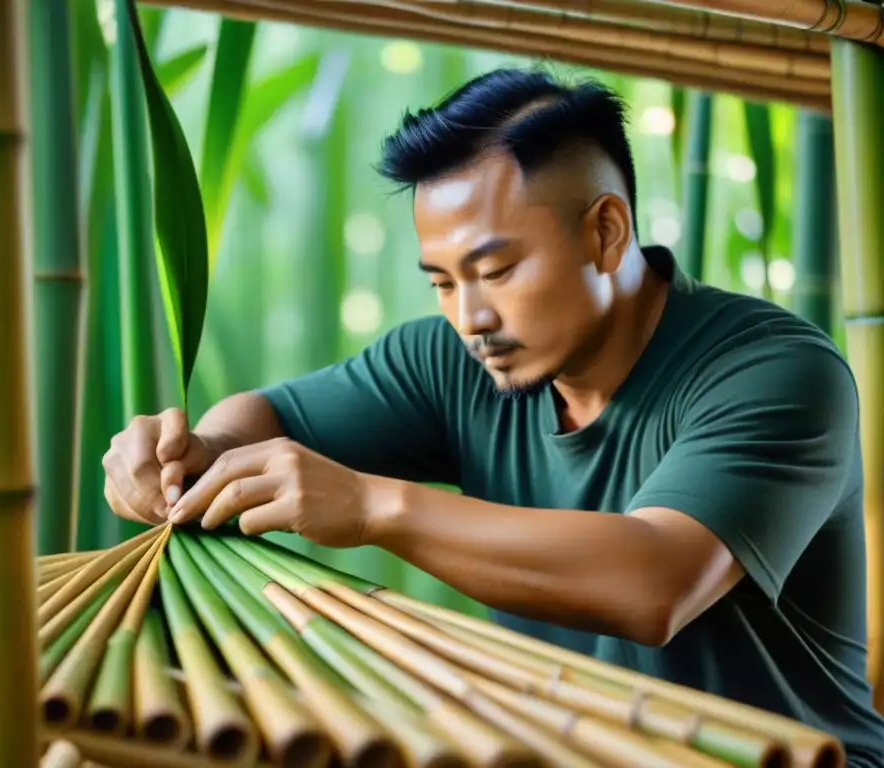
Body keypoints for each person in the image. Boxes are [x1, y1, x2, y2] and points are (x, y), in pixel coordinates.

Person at [102, 68, 884, 764]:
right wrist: (192, 450)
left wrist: (376, 507)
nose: (469, 316)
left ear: (606, 232)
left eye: (496, 270)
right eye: (441, 282)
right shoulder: (458, 359)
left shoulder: (777, 371)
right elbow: (267, 420)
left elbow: (656, 581)